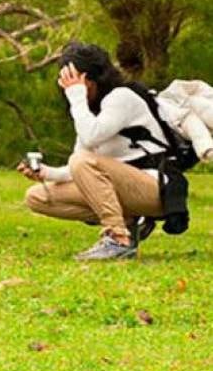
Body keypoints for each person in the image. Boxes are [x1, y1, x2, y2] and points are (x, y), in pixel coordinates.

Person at [18, 42, 167, 260]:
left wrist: (76, 98)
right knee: (38, 196)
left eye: (75, 80)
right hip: (122, 188)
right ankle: (128, 223)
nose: (68, 87)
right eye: (65, 81)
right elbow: (77, 170)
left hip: (156, 188)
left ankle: (118, 239)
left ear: (93, 77)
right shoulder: (89, 112)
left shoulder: (121, 97)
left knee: (82, 161)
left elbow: (88, 143)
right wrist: (45, 172)